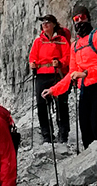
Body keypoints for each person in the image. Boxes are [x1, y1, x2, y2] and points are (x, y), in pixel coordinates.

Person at [41, 5, 97, 168]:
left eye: (82, 18)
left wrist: (86, 73)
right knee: (85, 129)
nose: (80, 21)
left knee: (96, 126)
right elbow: (71, 74)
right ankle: (92, 165)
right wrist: (53, 90)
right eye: (76, 19)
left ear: (88, 18)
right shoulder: (74, 45)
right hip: (85, 88)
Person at [28, 15, 71, 143]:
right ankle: (47, 134)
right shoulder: (38, 41)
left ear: (54, 24)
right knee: (41, 104)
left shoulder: (62, 40)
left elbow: (68, 57)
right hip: (42, 74)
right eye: (43, 23)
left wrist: (60, 63)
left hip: (57, 74)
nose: (45, 25)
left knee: (61, 103)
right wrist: (33, 63)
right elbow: (32, 56)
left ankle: (63, 132)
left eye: (48, 22)